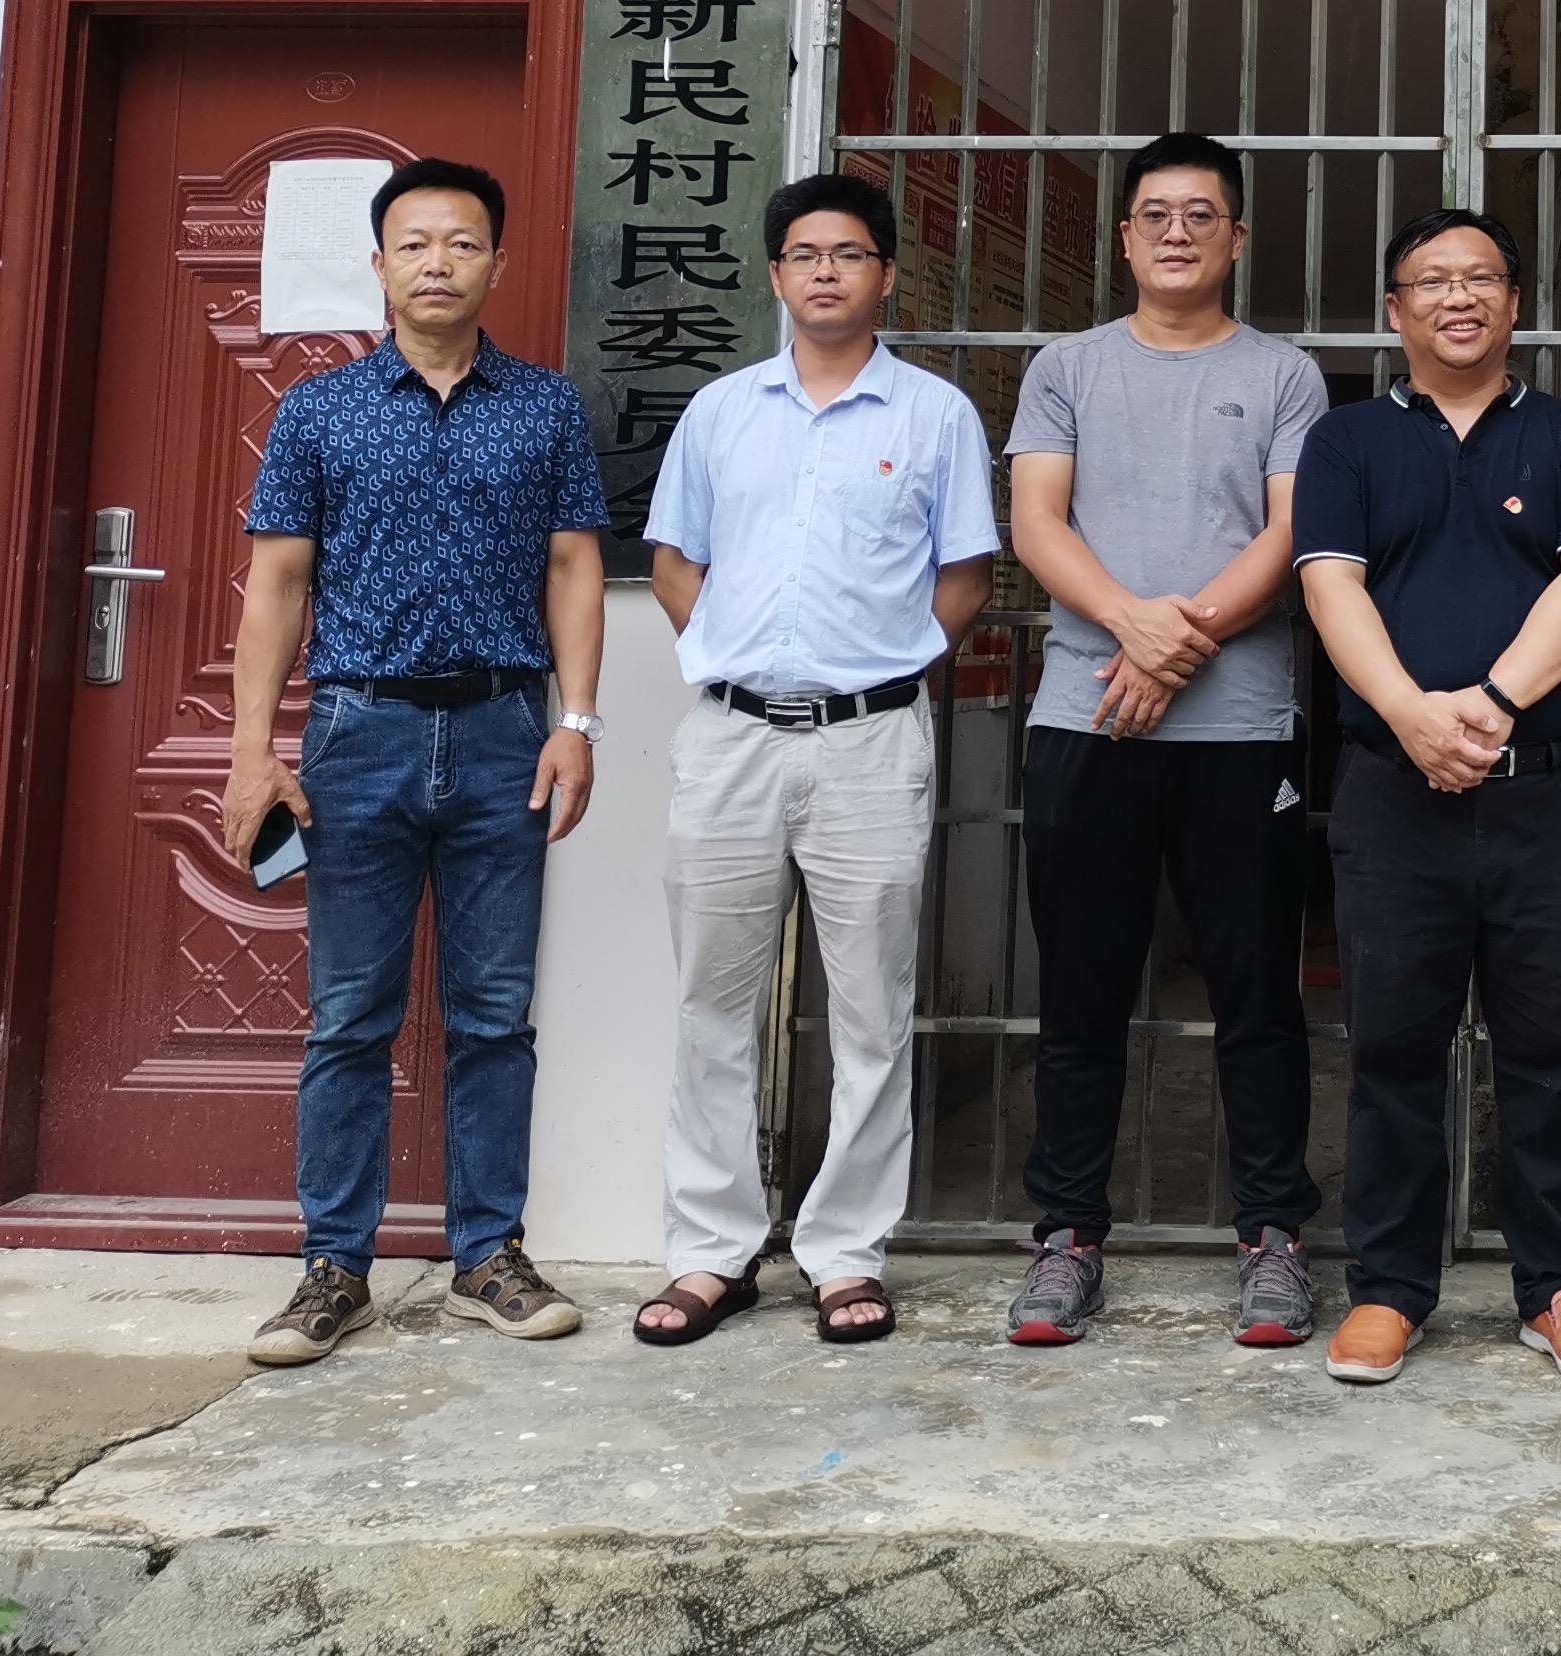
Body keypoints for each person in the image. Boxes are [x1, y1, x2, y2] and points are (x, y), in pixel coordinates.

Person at [227, 156, 609, 1369]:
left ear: (497, 262)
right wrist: (253, 750)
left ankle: (487, 1256)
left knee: (494, 1016)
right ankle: (332, 1270)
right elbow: (277, 584)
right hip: (360, 735)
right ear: (379, 264)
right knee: (351, 1016)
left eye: (462, 242)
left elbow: (573, 567)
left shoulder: (544, 407)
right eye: (414, 243)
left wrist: (578, 721)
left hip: (505, 734)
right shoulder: (319, 411)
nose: (438, 262)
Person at [629, 171, 997, 1351]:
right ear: (776, 275)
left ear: (886, 275)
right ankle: (710, 1252)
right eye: (804, 254)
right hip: (731, 739)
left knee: (871, 1010)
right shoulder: (721, 411)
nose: (825, 271)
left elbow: (965, 577)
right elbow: (675, 561)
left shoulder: (935, 415)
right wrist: (729, 657)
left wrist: (883, 669)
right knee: (712, 1005)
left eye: (847, 253)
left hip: (871, 744)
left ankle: (846, 1254)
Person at [1295, 208, 1561, 1388]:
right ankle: (1389, 1289)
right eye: (1431, 281)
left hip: (1543, 796)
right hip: (1393, 795)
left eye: (1480, 278)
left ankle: (1558, 1287)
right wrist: (1409, 715)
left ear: (1513, 302)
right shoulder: (1346, 441)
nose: (1458, 297)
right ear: (1395, 310)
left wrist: (1487, 705)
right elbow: (1330, 588)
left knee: (1552, 1053)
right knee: (1392, 1050)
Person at [1001, 131, 1331, 1349]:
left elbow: (1291, 536)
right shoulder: (1066, 368)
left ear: (1236, 238)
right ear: (1124, 237)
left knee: (1258, 990)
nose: (1177, 232)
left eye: (1202, 214)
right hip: (1083, 714)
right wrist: (1135, 629)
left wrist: (1168, 646)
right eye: (1156, 214)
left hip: (1242, 730)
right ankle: (1067, 1235)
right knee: (1082, 990)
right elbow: (1038, 524)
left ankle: (1273, 1236)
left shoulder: (1285, 374)